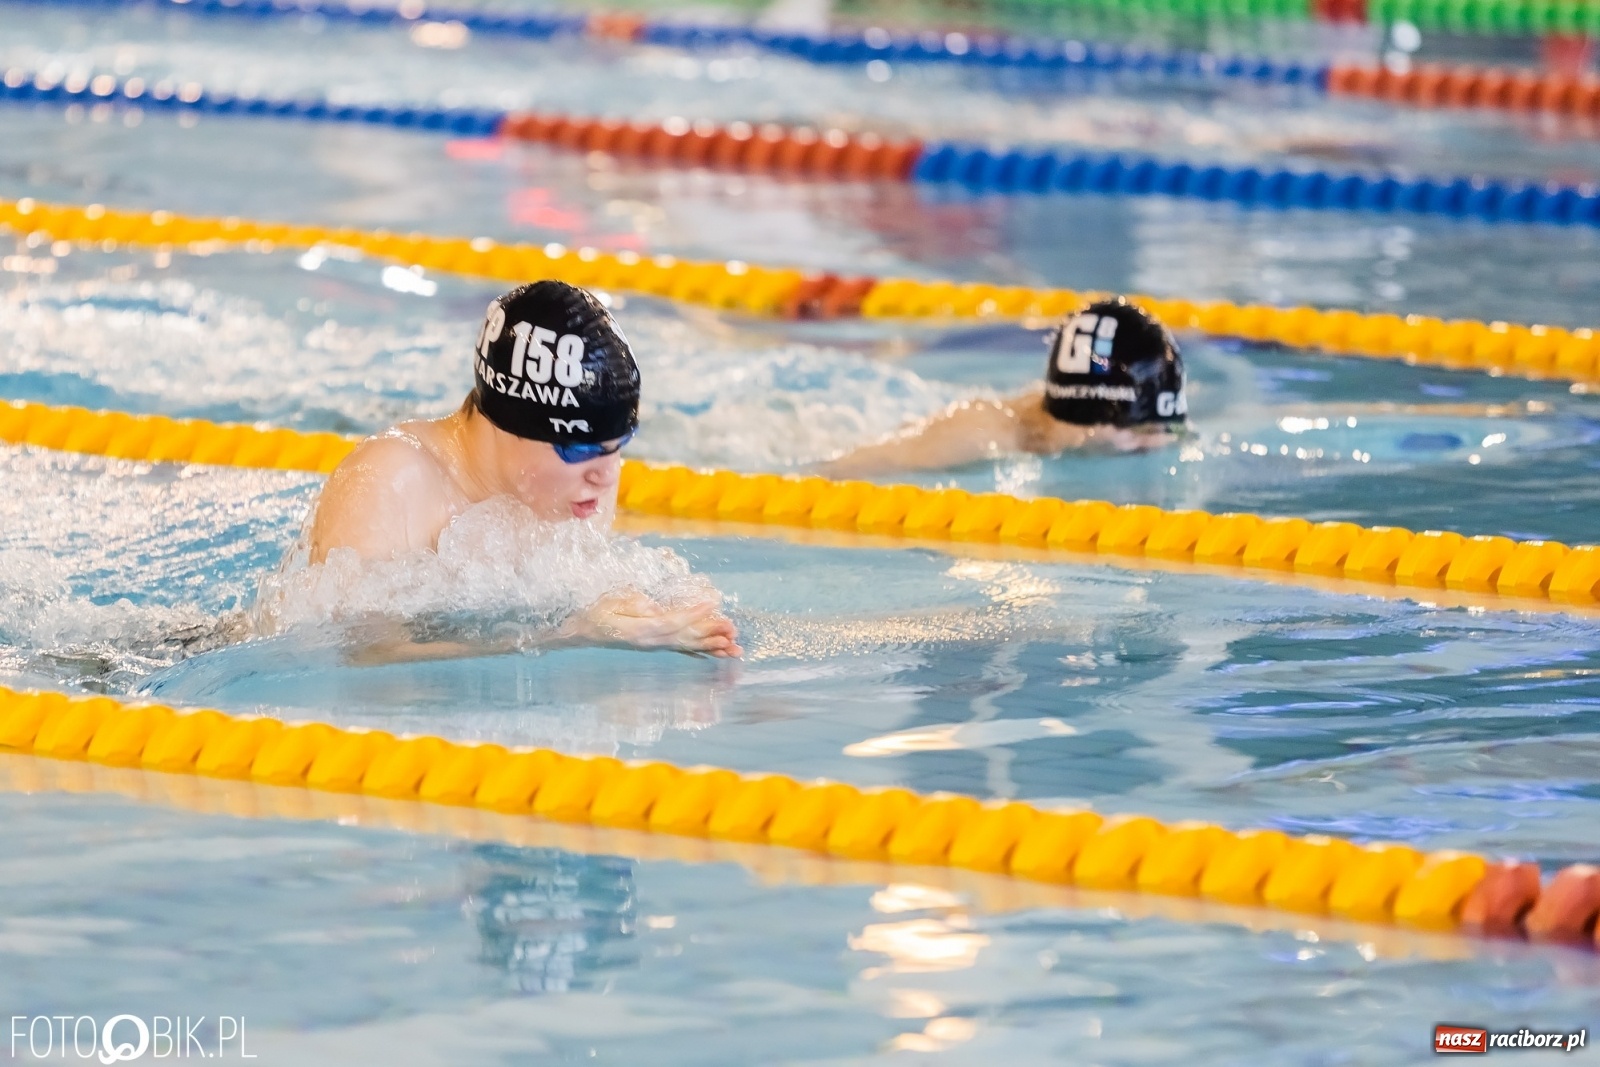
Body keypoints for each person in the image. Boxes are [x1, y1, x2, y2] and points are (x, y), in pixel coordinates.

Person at [307, 280, 741, 658]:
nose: (606, 475)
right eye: (580, 448)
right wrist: (572, 636)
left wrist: (668, 613)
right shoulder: (389, 482)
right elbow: (364, 656)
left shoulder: (581, 486)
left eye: (618, 446)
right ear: (510, 425)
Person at [818, 297, 1187, 478]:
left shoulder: (1095, 434)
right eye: (1142, 429)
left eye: (1163, 427)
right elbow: (835, 470)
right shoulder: (979, 434)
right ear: (1093, 417)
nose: (1157, 443)